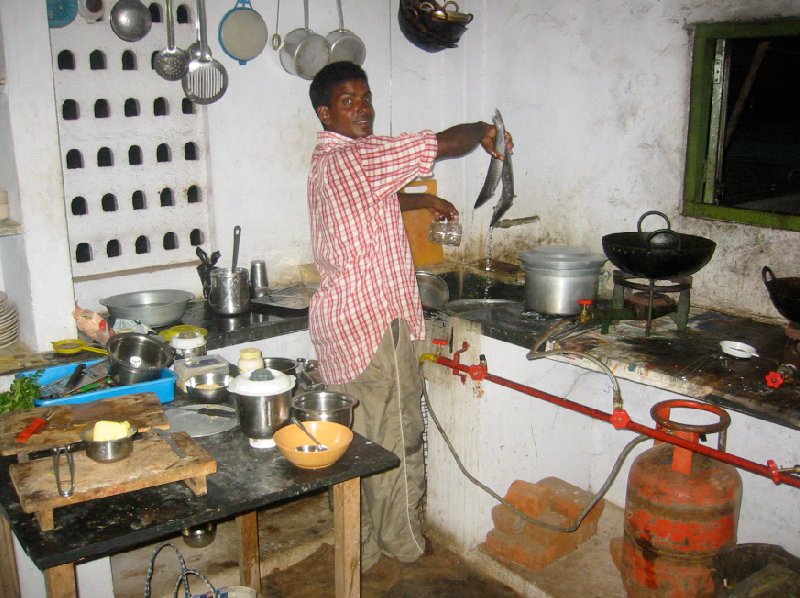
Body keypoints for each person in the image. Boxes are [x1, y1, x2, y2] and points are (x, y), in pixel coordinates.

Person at [307, 61, 512, 571]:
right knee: (397, 437)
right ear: (324, 112)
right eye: (349, 101)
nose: (364, 108)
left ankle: (363, 547)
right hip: (374, 324)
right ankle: (405, 548)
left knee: (357, 444)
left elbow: (373, 199)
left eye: (367, 97)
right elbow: (441, 142)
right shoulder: (361, 156)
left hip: (338, 324)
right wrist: (486, 132)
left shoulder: (328, 162)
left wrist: (422, 200)